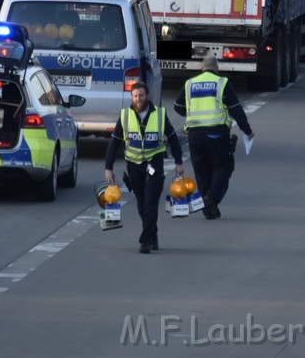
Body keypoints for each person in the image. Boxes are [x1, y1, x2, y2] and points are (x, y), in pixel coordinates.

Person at [105, 81, 184, 254]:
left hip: (154, 164)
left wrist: (179, 162)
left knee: (150, 203)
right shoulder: (125, 115)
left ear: (147, 96)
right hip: (134, 165)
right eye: (135, 96)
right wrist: (108, 167)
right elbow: (114, 142)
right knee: (141, 203)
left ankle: (145, 241)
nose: (138, 99)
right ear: (131, 97)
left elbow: (173, 139)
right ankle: (153, 234)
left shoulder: (160, 115)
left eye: (141, 95)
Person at [173, 55, 254, 220]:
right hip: (217, 133)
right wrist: (247, 130)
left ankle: (207, 208)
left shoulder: (190, 83)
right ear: (217, 68)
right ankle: (212, 199)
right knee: (223, 167)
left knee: (201, 170)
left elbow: (178, 107)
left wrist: (191, 111)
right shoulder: (222, 83)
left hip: (195, 135)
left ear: (202, 68)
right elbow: (236, 109)